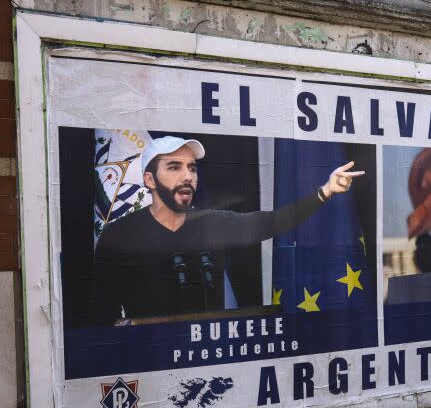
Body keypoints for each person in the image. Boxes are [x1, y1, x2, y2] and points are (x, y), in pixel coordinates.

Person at [92, 135, 363, 324]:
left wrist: (325, 192)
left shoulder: (212, 223)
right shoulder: (120, 235)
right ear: (149, 179)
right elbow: (103, 317)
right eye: (174, 167)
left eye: (192, 168)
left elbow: (275, 221)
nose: (187, 176)